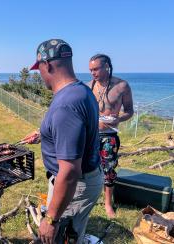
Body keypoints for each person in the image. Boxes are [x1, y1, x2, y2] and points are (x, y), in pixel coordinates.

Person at [23, 39, 103, 244]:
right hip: (85, 180)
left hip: (74, 186)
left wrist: (50, 219)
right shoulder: (81, 91)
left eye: (38, 68)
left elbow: (69, 172)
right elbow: (77, 133)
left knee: (60, 239)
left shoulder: (65, 105)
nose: (39, 75)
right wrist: (44, 134)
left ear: (47, 65)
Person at [88, 54, 134, 218]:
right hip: (90, 135)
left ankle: (108, 204)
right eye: (90, 70)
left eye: (96, 69)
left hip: (109, 135)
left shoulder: (122, 86)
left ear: (106, 66)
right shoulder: (89, 86)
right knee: (87, 168)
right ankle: (90, 198)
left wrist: (119, 118)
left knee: (108, 169)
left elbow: (129, 111)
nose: (93, 73)